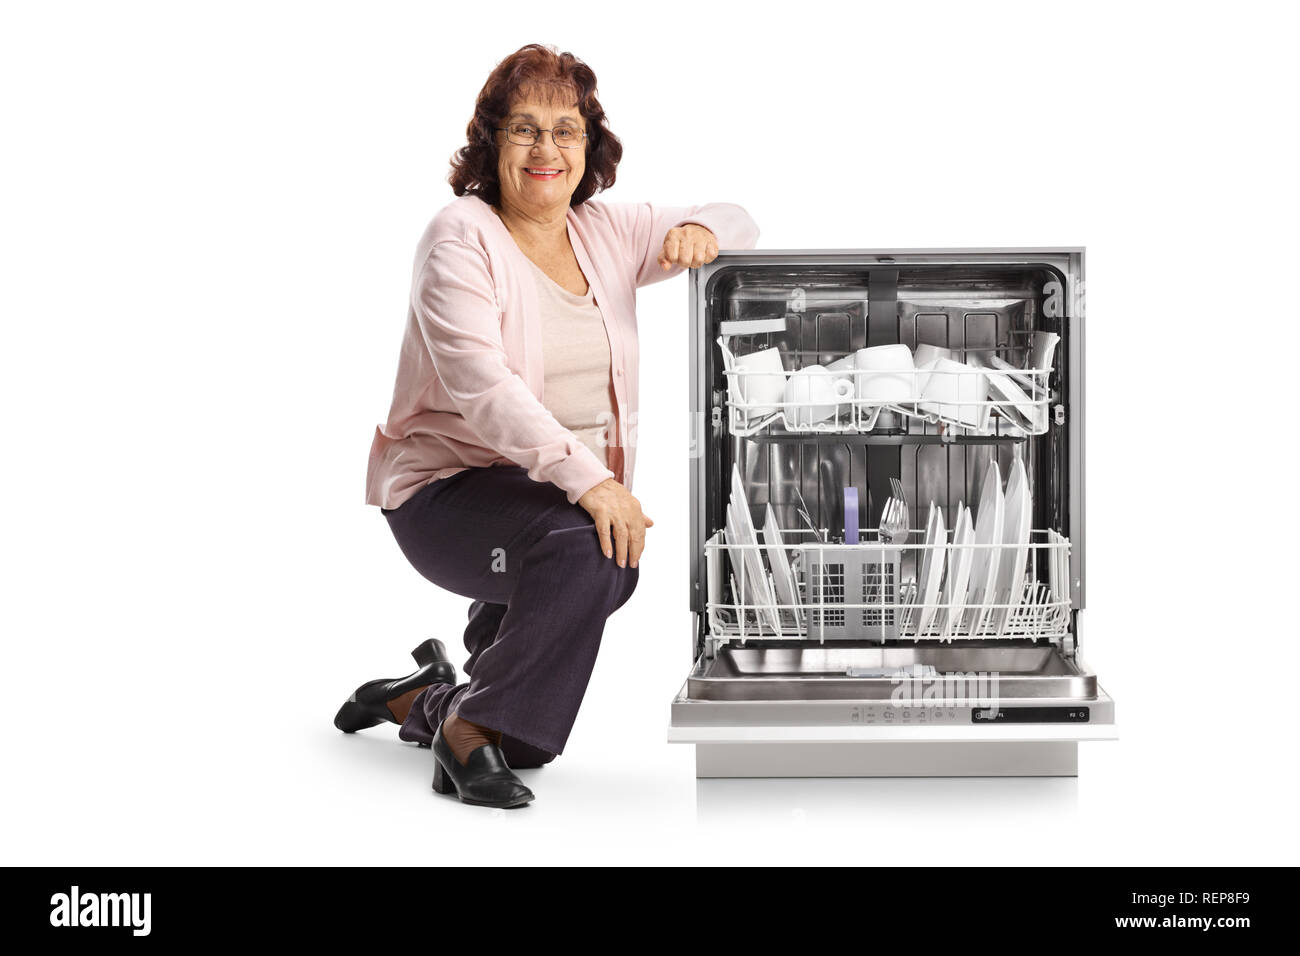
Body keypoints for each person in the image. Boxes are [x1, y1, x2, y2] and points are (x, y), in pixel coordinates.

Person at [335, 43, 759, 809]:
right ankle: (466, 732)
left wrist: (701, 227)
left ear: (588, 147)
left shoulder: (605, 231)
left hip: (541, 495)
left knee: (545, 694)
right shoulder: (459, 237)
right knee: (596, 556)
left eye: (566, 130)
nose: (546, 149)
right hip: (442, 493)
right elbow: (481, 387)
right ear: (491, 143)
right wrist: (594, 483)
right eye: (524, 129)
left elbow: (740, 218)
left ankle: (433, 699)